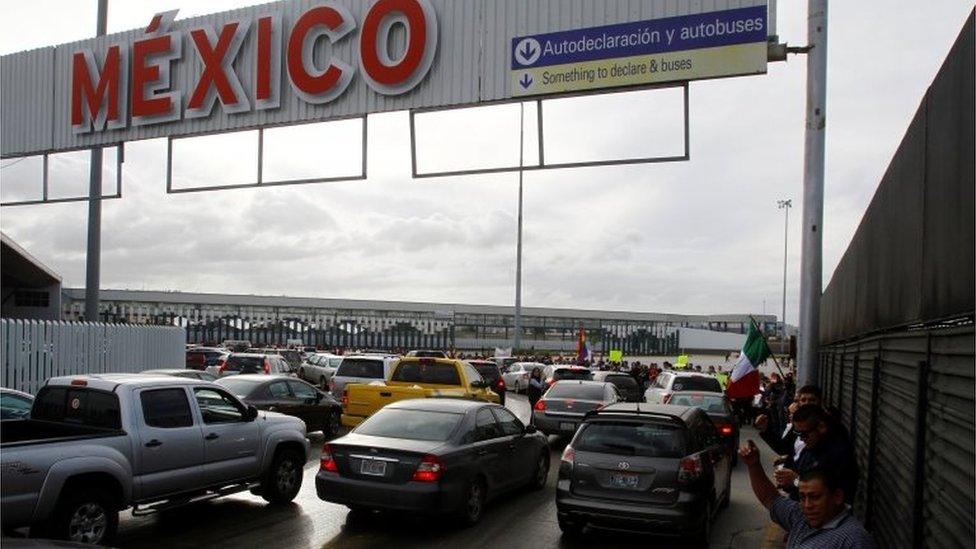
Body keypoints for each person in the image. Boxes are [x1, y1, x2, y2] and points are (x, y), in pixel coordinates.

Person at [739, 440, 875, 548]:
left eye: (815, 497)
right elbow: (771, 499)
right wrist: (754, 465)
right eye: (802, 497)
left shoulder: (854, 540)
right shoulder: (800, 517)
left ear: (837, 497)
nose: (807, 505)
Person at [776, 405, 859, 504]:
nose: (801, 439)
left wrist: (795, 480)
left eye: (804, 434)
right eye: (798, 434)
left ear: (821, 427)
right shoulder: (811, 447)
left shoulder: (838, 453)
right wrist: (787, 482)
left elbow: (829, 493)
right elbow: (800, 471)